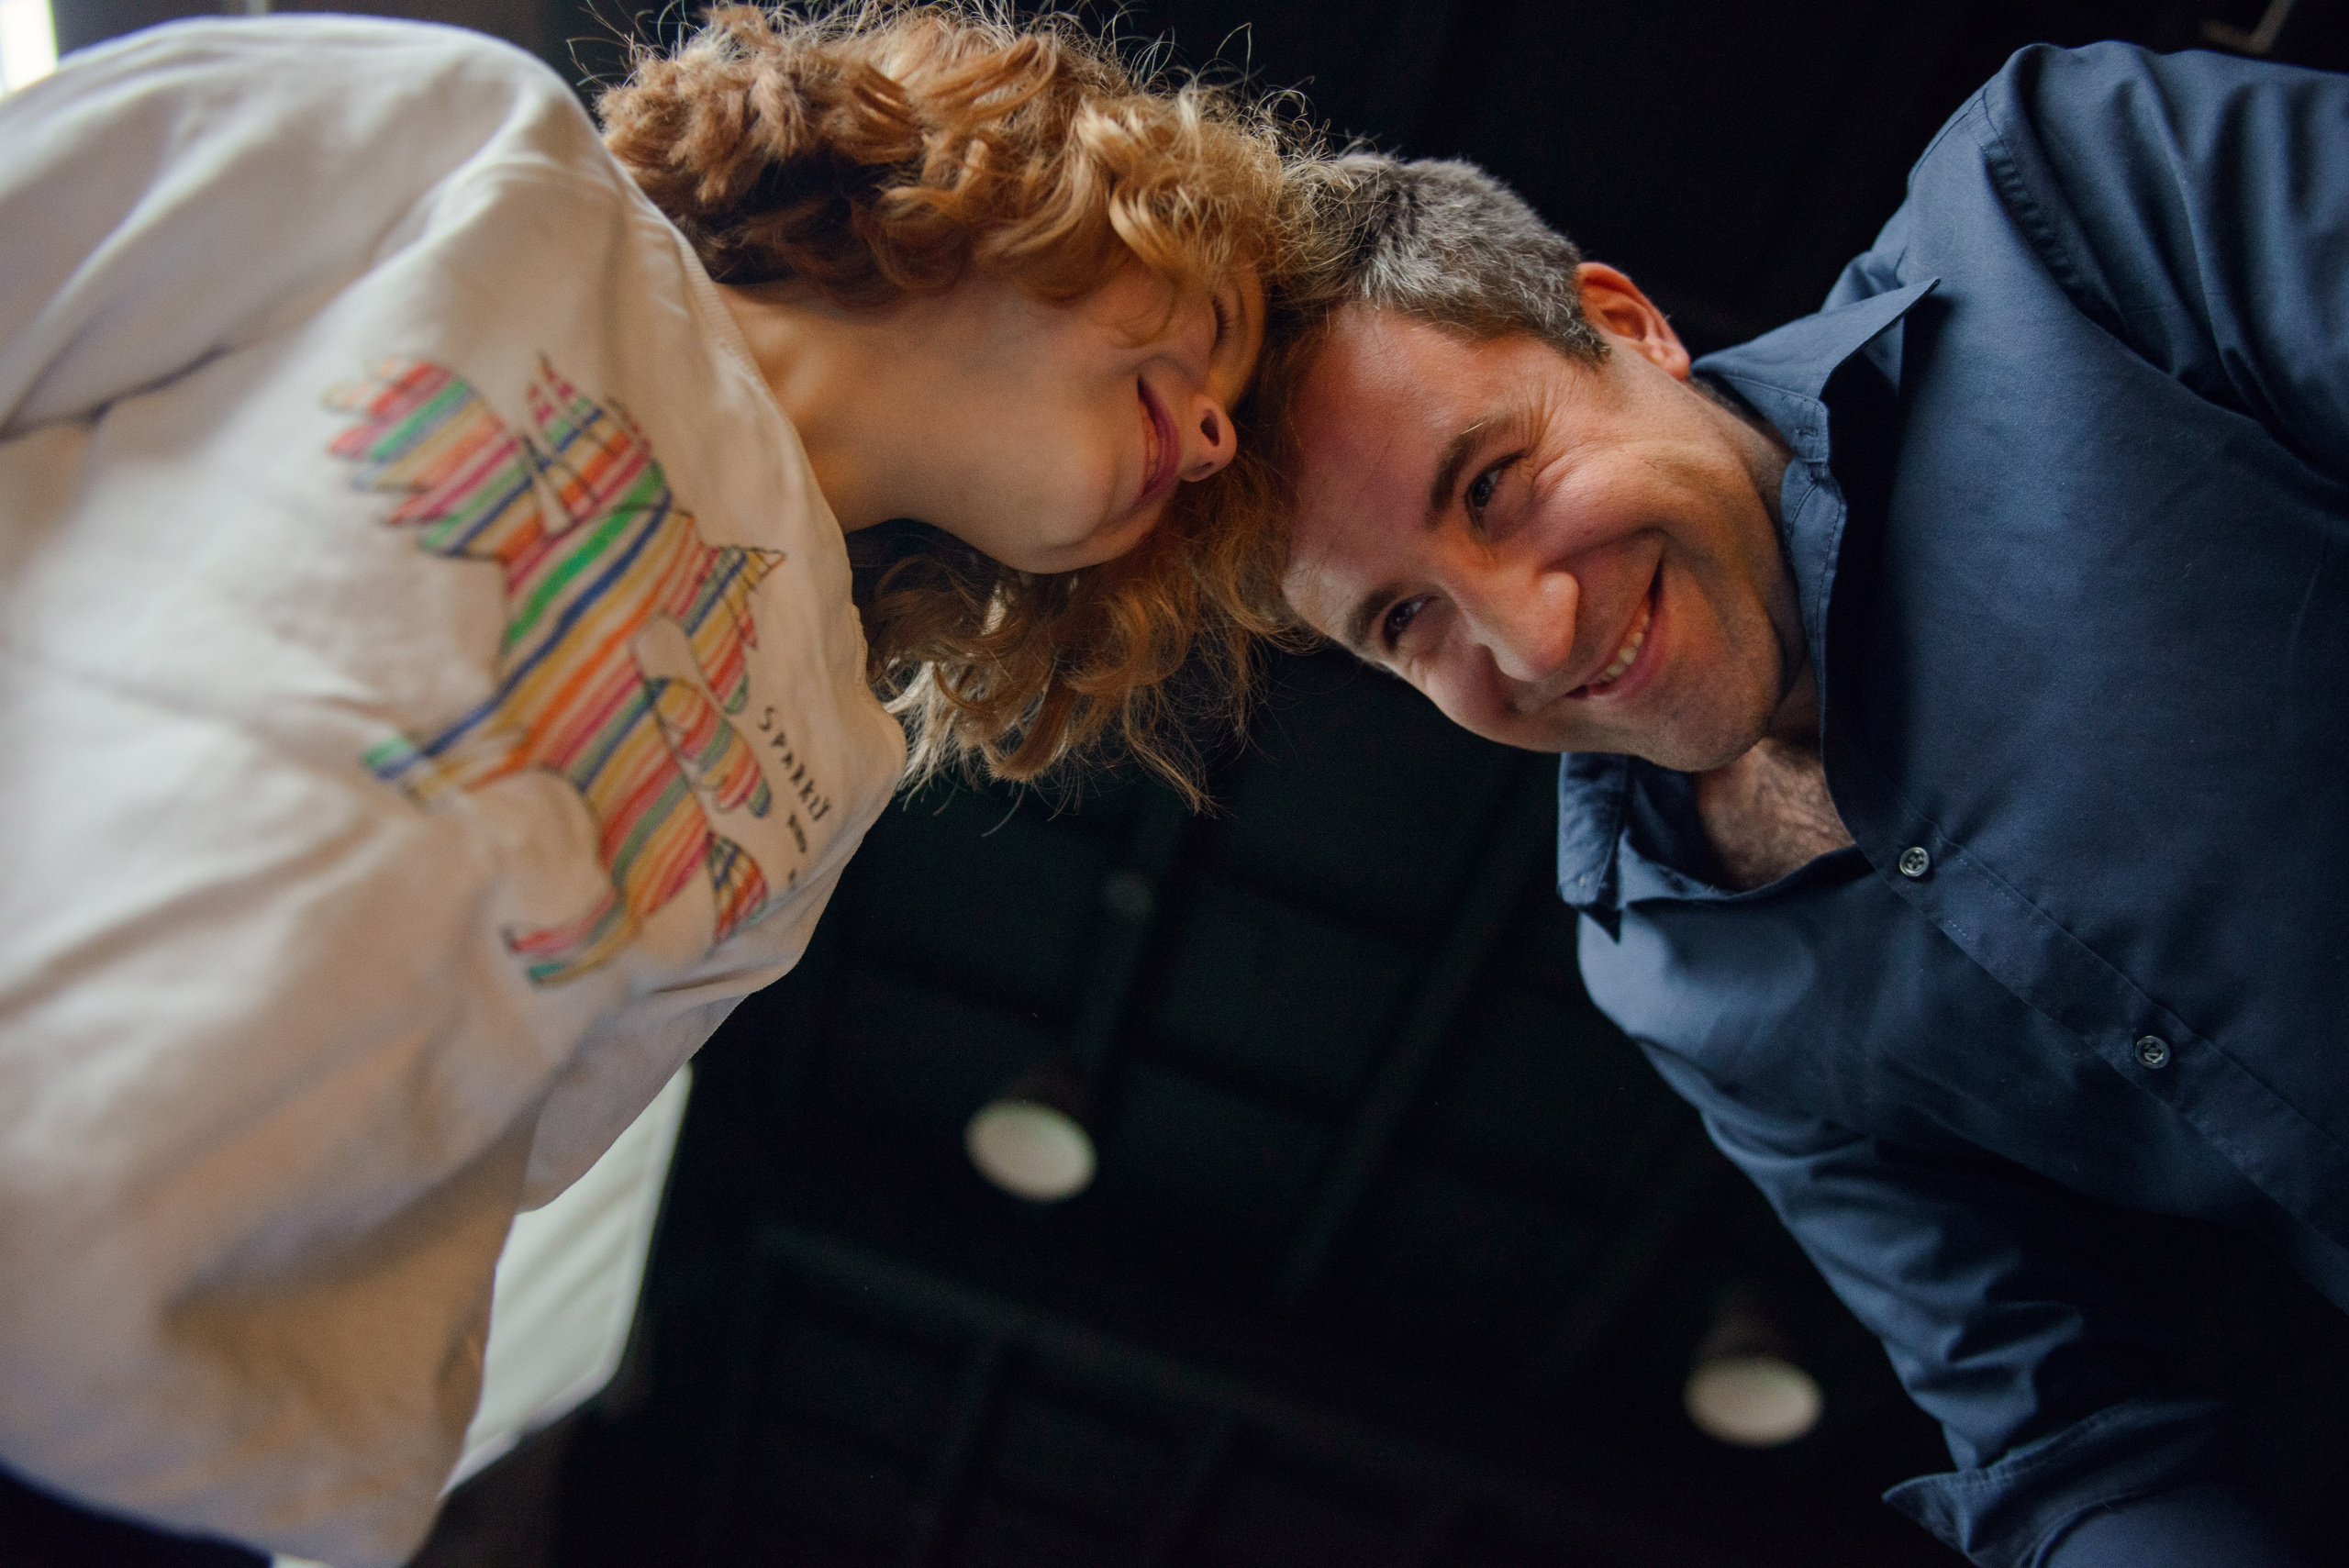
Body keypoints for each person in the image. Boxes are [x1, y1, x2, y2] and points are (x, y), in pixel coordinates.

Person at [0, 5, 1303, 1562]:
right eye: (1203, 322)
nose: (1216, 434)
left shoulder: (839, 756)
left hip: (174, 1487)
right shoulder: (482, 159)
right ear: (1036, 176)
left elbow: (523, 1143)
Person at [1249, 42, 2347, 1568]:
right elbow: (2067, 1431)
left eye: (1493, 482)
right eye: (1406, 623)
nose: (1535, 638)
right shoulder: (1669, 970)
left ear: (1627, 328)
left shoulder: (2070, 201)